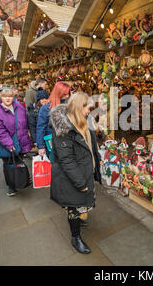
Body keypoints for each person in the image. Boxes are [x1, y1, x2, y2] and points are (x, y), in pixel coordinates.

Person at [49, 92, 102, 254]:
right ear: (79, 107)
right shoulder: (64, 129)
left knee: (82, 204)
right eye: (87, 108)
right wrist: (80, 182)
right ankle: (75, 237)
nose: (89, 111)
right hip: (72, 178)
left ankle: (81, 219)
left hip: (84, 171)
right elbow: (67, 161)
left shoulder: (84, 120)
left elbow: (91, 143)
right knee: (73, 208)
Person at [0, 88, 32, 196]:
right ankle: (11, 186)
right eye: (5, 96)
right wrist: (9, 144)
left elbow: (25, 124)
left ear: (13, 97)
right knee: (8, 165)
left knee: (19, 162)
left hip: (20, 140)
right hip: (5, 143)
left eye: (10, 96)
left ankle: (20, 180)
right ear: (1, 97)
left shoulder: (19, 108)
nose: (8, 98)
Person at [36, 82, 71, 158]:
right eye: (64, 94)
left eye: (68, 93)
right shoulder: (46, 108)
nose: (67, 96)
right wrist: (41, 146)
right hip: (52, 144)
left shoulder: (70, 106)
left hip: (68, 143)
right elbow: (41, 127)